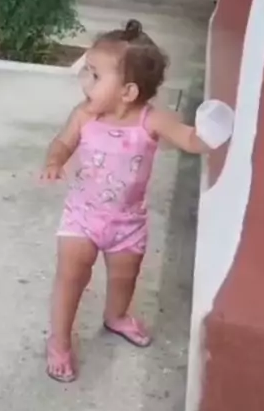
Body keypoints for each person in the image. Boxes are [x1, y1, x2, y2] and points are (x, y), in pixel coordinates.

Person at [40, 19, 211, 383]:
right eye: (86, 71)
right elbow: (63, 142)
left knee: (124, 277)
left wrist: (213, 132)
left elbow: (190, 140)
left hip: (127, 223)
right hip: (82, 216)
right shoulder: (83, 115)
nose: (84, 81)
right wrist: (55, 160)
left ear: (128, 92)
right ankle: (59, 340)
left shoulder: (151, 120)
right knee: (71, 277)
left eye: (94, 75)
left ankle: (116, 316)